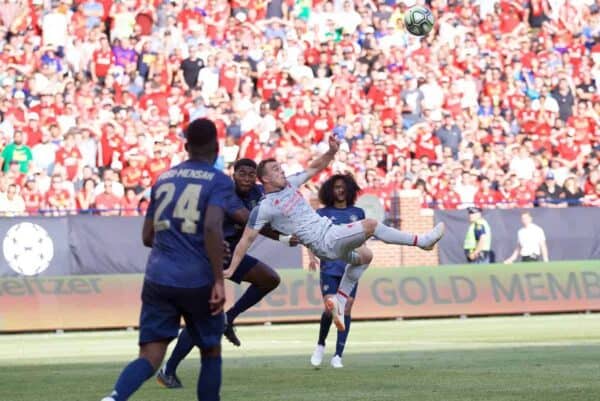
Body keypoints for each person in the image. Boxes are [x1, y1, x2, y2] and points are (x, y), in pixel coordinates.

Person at [224, 136, 445, 333]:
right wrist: (232, 269)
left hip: (330, 236)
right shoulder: (264, 207)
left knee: (366, 257)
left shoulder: (289, 184)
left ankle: (339, 301)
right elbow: (246, 240)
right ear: (265, 179)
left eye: (281, 168)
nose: (282, 171)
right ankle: (422, 242)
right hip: (325, 241)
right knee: (370, 225)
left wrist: (331, 152)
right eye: (276, 170)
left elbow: (314, 167)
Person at [100, 118, 232, 401]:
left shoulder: (163, 179)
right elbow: (211, 226)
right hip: (197, 279)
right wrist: (219, 280)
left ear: (186, 147)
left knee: (150, 355)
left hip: (158, 277)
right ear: (217, 147)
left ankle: (114, 398)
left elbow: (147, 237)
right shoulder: (219, 181)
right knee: (211, 350)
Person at [156, 158, 299, 388]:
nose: (246, 178)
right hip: (204, 256)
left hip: (230, 254)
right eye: (242, 173)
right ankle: (168, 370)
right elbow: (250, 221)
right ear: (233, 174)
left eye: (251, 174)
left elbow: (278, 206)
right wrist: (284, 237)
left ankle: (228, 318)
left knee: (269, 279)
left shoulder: (258, 193)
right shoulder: (223, 193)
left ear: (257, 177)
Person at [309, 173, 365, 369]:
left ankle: (338, 356)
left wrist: (363, 258)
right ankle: (320, 344)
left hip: (350, 268)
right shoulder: (322, 213)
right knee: (331, 308)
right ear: (330, 191)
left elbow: (362, 239)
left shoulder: (358, 212)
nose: (340, 190)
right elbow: (312, 237)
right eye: (336, 187)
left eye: (343, 187)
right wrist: (311, 257)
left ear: (349, 189)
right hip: (329, 266)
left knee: (346, 308)